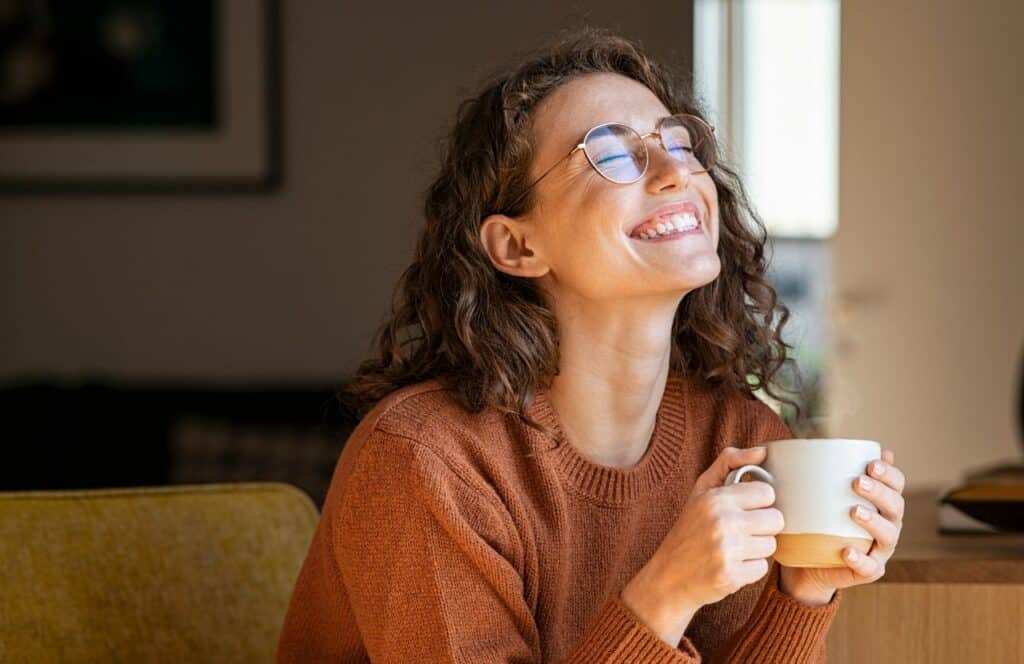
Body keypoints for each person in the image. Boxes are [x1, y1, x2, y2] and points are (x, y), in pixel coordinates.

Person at [276, 26, 906, 663]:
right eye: (610, 152)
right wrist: (664, 595)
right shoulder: (429, 464)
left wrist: (802, 596)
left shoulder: (739, 436)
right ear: (518, 247)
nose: (673, 174)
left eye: (679, 143)